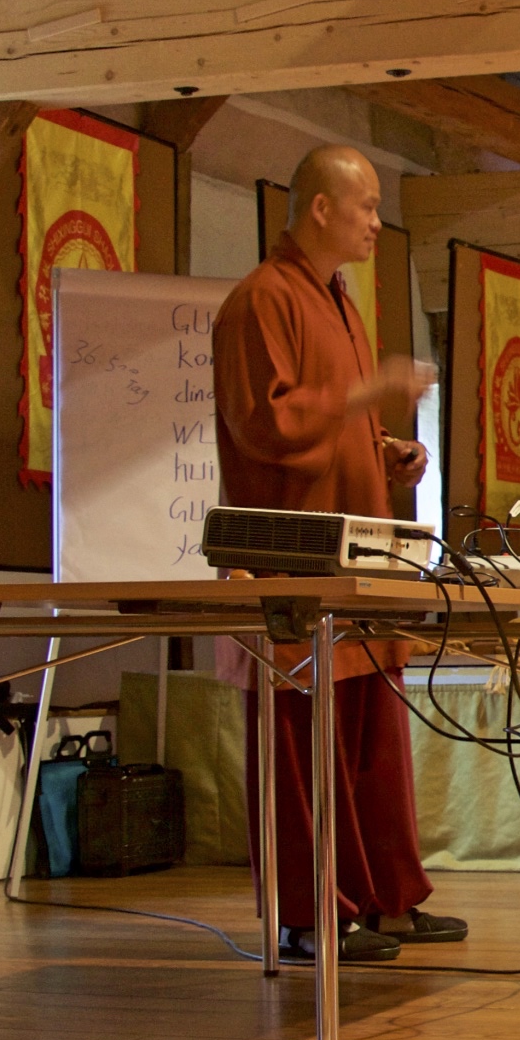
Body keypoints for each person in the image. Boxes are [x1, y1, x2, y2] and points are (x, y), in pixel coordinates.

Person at [214, 146, 461, 968]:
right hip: (292, 558)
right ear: (320, 208)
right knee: (301, 740)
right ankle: (309, 914)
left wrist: (384, 450)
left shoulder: (340, 300)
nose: (377, 224)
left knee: (370, 736)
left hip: (358, 556)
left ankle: (387, 899)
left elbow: (338, 420)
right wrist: (365, 394)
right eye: (367, 206)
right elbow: (266, 424)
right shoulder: (262, 298)